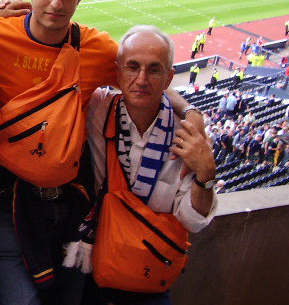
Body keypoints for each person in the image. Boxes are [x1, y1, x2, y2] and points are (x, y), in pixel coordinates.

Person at [0, 0, 203, 305]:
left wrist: (189, 111)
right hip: (8, 202)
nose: (57, 3)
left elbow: (143, 77)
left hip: (69, 207)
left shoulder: (98, 48)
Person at [84, 26, 217, 305]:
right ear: (117, 73)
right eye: (132, 67)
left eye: (154, 70)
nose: (141, 79)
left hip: (148, 279)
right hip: (91, 270)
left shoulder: (189, 138)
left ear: (169, 77)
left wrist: (206, 175)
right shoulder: (97, 109)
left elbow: (193, 221)